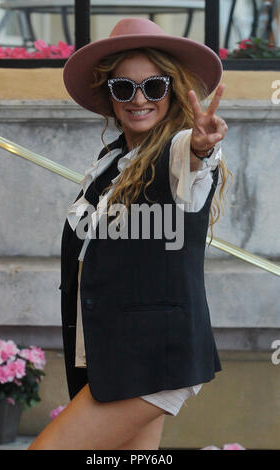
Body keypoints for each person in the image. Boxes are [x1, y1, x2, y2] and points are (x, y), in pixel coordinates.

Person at [28, 17, 231, 451]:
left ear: (172, 90)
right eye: (124, 88)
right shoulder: (112, 160)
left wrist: (203, 145)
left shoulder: (177, 149)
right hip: (115, 357)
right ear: (110, 94)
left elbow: (193, 159)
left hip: (152, 360)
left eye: (153, 87)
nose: (138, 99)